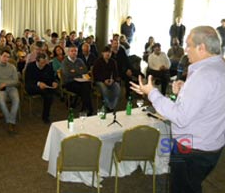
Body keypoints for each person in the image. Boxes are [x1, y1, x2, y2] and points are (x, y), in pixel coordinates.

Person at [130, 26, 225, 193]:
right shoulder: (219, 67)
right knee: (192, 186)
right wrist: (186, 89)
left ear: (201, 47)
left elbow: (180, 117)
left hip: (191, 148)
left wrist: (152, 93)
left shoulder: (203, 76)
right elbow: (210, 101)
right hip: (212, 145)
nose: (185, 50)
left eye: (188, 45)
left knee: (182, 188)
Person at [25, 53, 58, 124]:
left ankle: (46, 115)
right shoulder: (30, 66)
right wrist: (38, 83)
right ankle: (45, 116)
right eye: (42, 63)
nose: (44, 64)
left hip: (45, 86)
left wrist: (53, 82)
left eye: (45, 62)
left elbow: (52, 77)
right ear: (37, 61)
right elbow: (28, 80)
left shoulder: (48, 66)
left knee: (50, 94)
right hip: (33, 86)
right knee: (47, 93)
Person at [61, 45, 93, 115]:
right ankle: (88, 108)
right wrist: (78, 72)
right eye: (72, 51)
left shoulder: (79, 60)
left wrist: (75, 72)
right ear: (68, 52)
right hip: (69, 82)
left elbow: (85, 71)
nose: (74, 53)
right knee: (85, 89)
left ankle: (86, 108)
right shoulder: (65, 62)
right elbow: (68, 74)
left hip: (81, 81)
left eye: (75, 51)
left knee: (86, 86)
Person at [92, 46, 120, 111]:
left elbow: (116, 74)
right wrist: (104, 80)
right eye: (106, 52)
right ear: (102, 53)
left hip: (110, 80)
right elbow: (95, 75)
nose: (108, 54)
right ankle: (108, 106)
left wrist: (113, 80)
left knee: (117, 88)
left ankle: (112, 106)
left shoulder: (113, 62)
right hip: (100, 81)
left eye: (109, 52)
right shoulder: (98, 62)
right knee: (104, 89)